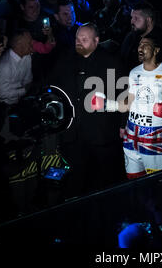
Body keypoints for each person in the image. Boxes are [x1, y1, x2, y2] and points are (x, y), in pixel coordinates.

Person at [47, 23, 127, 197]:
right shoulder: (66, 59)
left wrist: (123, 123)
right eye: (77, 38)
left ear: (96, 41)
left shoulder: (110, 62)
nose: (79, 42)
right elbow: (51, 85)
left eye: (84, 39)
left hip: (101, 134)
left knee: (104, 181)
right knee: (76, 181)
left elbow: (124, 94)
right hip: (73, 133)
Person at [121, 36, 162, 179]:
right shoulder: (134, 72)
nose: (140, 48)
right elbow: (129, 103)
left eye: (146, 45)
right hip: (132, 136)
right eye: (139, 45)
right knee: (134, 181)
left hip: (156, 138)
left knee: (160, 183)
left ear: (156, 50)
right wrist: (107, 105)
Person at [120, 0, 162, 73]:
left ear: (149, 20)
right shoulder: (130, 37)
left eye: (136, 18)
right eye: (132, 17)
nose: (132, 21)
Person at [0, 29, 33, 105]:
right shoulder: (4, 65)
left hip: (17, 100)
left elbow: (28, 80)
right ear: (19, 45)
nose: (32, 44)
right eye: (29, 42)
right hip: (0, 104)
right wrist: (24, 90)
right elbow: (2, 95)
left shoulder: (27, 57)